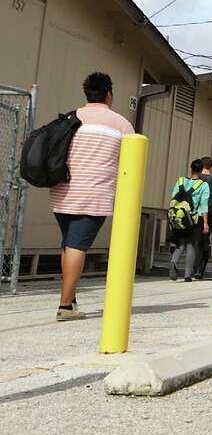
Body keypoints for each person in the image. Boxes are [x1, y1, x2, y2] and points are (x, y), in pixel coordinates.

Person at [49, 72, 134, 320]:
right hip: (94, 195)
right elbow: (131, 161)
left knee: (68, 244)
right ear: (109, 95)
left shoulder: (71, 118)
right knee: (77, 245)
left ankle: (70, 299)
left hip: (62, 192)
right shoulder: (121, 124)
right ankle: (65, 306)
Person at [168, 159, 210, 283]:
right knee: (191, 244)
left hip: (178, 217)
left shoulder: (181, 181)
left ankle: (173, 262)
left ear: (191, 168)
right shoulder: (203, 185)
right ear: (201, 170)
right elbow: (203, 206)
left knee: (179, 243)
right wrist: (206, 223)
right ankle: (187, 275)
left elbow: (173, 198)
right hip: (193, 218)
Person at [194, 156, 212, 279]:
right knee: (204, 241)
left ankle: (191, 268)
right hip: (209, 215)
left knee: (193, 241)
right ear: (210, 166)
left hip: (194, 214)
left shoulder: (195, 178)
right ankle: (200, 270)